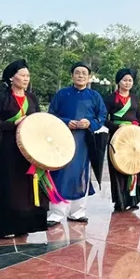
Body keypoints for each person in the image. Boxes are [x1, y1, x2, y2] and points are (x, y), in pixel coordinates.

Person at [0, 60, 48, 238]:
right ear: (12, 77)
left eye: (28, 75)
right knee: (9, 184)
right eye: (22, 75)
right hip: (9, 148)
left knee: (26, 185)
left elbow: (38, 119)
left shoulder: (31, 98)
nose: (26, 79)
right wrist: (12, 124)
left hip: (29, 148)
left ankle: (24, 224)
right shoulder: (3, 98)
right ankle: (4, 226)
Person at [47, 62, 107, 225]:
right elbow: (51, 115)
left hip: (84, 142)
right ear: (72, 75)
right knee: (60, 174)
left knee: (81, 174)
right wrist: (66, 122)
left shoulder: (95, 96)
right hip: (63, 139)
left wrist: (90, 123)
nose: (80, 75)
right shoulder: (62, 94)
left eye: (84, 73)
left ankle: (77, 212)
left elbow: (102, 116)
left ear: (89, 77)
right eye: (77, 73)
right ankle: (56, 213)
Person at [105, 68, 140, 212]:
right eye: (125, 80)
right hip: (117, 138)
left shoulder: (135, 98)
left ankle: (133, 198)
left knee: (133, 166)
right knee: (118, 167)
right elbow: (104, 119)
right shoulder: (110, 98)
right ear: (118, 81)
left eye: (130, 80)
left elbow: (139, 117)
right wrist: (116, 126)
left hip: (133, 137)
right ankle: (120, 201)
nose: (127, 83)